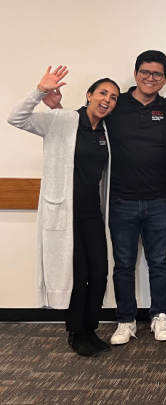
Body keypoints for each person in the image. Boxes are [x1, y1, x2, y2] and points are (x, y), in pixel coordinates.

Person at [43, 50, 166, 344]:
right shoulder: (116, 105)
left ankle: (159, 316)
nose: (150, 78)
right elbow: (82, 126)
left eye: (157, 74)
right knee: (123, 265)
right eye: (145, 72)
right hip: (121, 202)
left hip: (160, 201)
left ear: (165, 79)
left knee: (159, 262)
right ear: (136, 72)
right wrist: (57, 107)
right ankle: (125, 320)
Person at [8, 66, 120, 356]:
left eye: (114, 97)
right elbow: (15, 118)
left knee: (99, 271)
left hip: (91, 212)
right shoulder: (63, 120)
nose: (107, 99)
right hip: (64, 212)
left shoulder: (107, 131)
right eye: (103, 93)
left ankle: (91, 328)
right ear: (89, 95)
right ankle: (76, 332)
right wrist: (40, 91)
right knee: (77, 272)